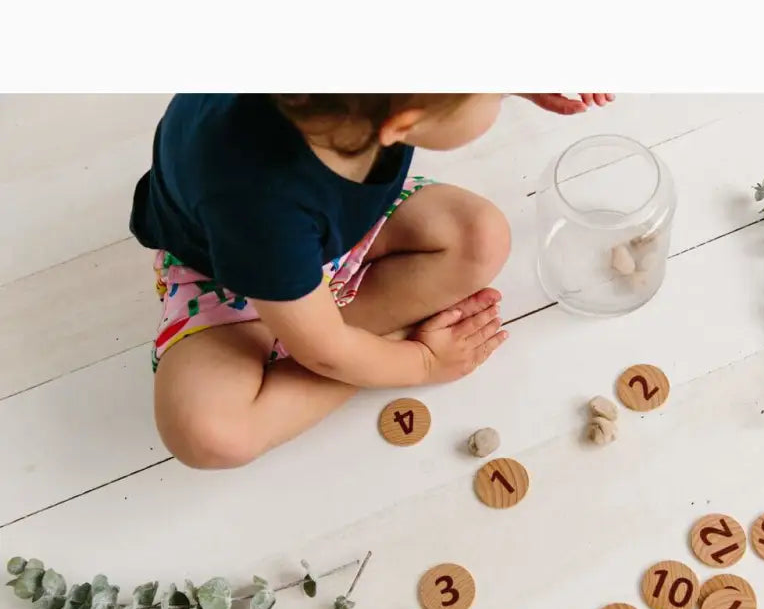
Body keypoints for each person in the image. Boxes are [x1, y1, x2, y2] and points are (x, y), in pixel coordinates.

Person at [129, 92, 614, 469]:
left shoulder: (355, 98)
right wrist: (421, 362)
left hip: (340, 235)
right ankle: (364, 342)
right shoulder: (259, 206)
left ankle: (339, 336)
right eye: (494, 94)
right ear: (403, 124)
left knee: (482, 237)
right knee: (210, 435)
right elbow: (324, 350)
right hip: (229, 278)